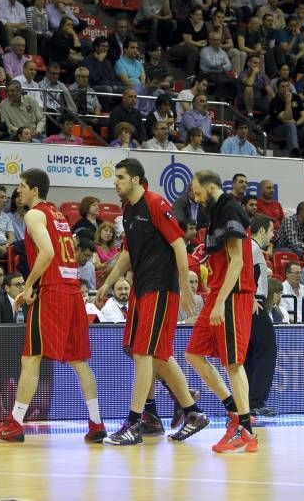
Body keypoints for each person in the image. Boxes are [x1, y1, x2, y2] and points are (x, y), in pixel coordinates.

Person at [0, 169, 106, 443]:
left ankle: (14, 423)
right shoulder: (58, 214)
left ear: (35, 190)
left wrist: (28, 286)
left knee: (31, 357)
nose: (18, 192)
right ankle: (96, 423)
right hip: (72, 293)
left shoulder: (35, 214)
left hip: (53, 293)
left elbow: (47, 252)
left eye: (22, 187)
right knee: (78, 361)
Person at [97, 158, 207, 445]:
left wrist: (185, 284)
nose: (115, 182)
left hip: (160, 288)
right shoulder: (129, 210)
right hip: (141, 288)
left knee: (145, 352)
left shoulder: (156, 204)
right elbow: (127, 253)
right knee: (148, 352)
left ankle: (135, 422)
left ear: (135, 179)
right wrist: (108, 284)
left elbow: (179, 243)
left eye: (120, 177)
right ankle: (192, 411)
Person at [185, 170, 258, 453]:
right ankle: (234, 410)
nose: (194, 195)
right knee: (193, 353)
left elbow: (238, 262)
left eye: (197, 190)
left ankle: (247, 431)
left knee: (233, 364)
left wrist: (218, 303)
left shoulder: (230, 209)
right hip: (217, 293)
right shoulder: (213, 212)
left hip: (231, 295)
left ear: (212, 186)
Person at [245, 214, 278, 418]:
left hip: (251, 302)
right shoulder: (253, 247)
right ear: (262, 230)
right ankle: (256, 402)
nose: (273, 235)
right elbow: (244, 273)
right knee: (267, 352)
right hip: (254, 304)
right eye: (272, 230)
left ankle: (248, 401)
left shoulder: (251, 248)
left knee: (250, 354)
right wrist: (251, 297)